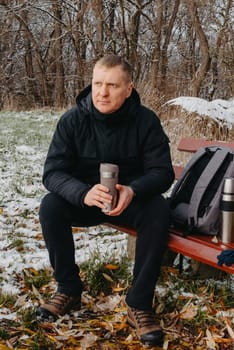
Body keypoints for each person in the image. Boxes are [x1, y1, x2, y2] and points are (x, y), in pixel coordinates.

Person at [37, 54, 175, 346]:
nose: (102, 92)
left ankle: (139, 303)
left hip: (129, 203)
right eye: (98, 83)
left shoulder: (146, 121)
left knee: (159, 209)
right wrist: (82, 193)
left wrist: (133, 190)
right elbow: (53, 173)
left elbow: (162, 173)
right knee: (50, 205)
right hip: (85, 201)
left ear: (128, 88)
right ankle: (68, 288)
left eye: (112, 85)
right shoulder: (73, 120)